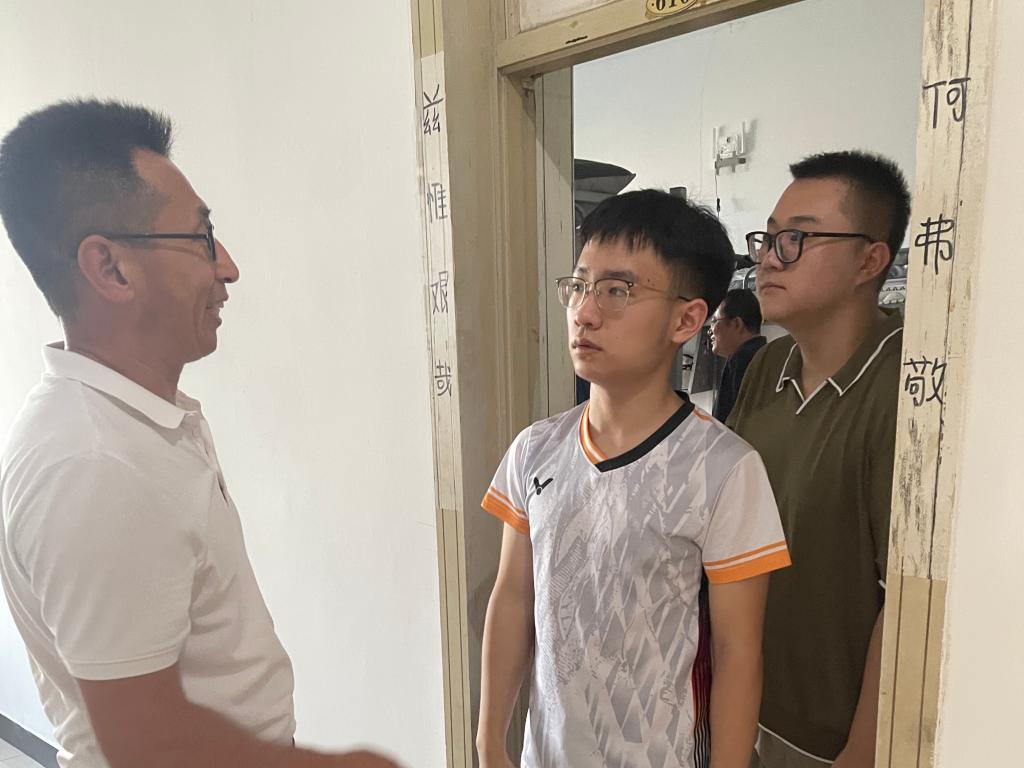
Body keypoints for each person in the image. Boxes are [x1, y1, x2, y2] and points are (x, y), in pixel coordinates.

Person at [0, 100, 396, 768]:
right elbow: (147, 746)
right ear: (110, 268)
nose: (228, 267)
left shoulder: (137, 423)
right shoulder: (96, 467)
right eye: (202, 238)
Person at [476, 189, 791, 768]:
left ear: (687, 319)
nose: (585, 312)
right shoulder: (534, 449)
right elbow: (513, 598)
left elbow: (737, 653)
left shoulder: (725, 468)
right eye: (579, 286)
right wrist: (489, 741)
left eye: (617, 291)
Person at [730, 151, 911, 768]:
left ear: (869, 260)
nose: (767, 258)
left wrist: (863, 750)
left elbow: (906, 594)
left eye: (796, 239)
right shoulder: (767, 366)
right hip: (744, 705)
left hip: (832, 741)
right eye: (767, 239)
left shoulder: (902, 383)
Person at [710, 289, 767, 422]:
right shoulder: (766, 354)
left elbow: (727, 425)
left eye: (715, 321)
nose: (710, 330)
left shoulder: (740, 360)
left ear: (736, 324)